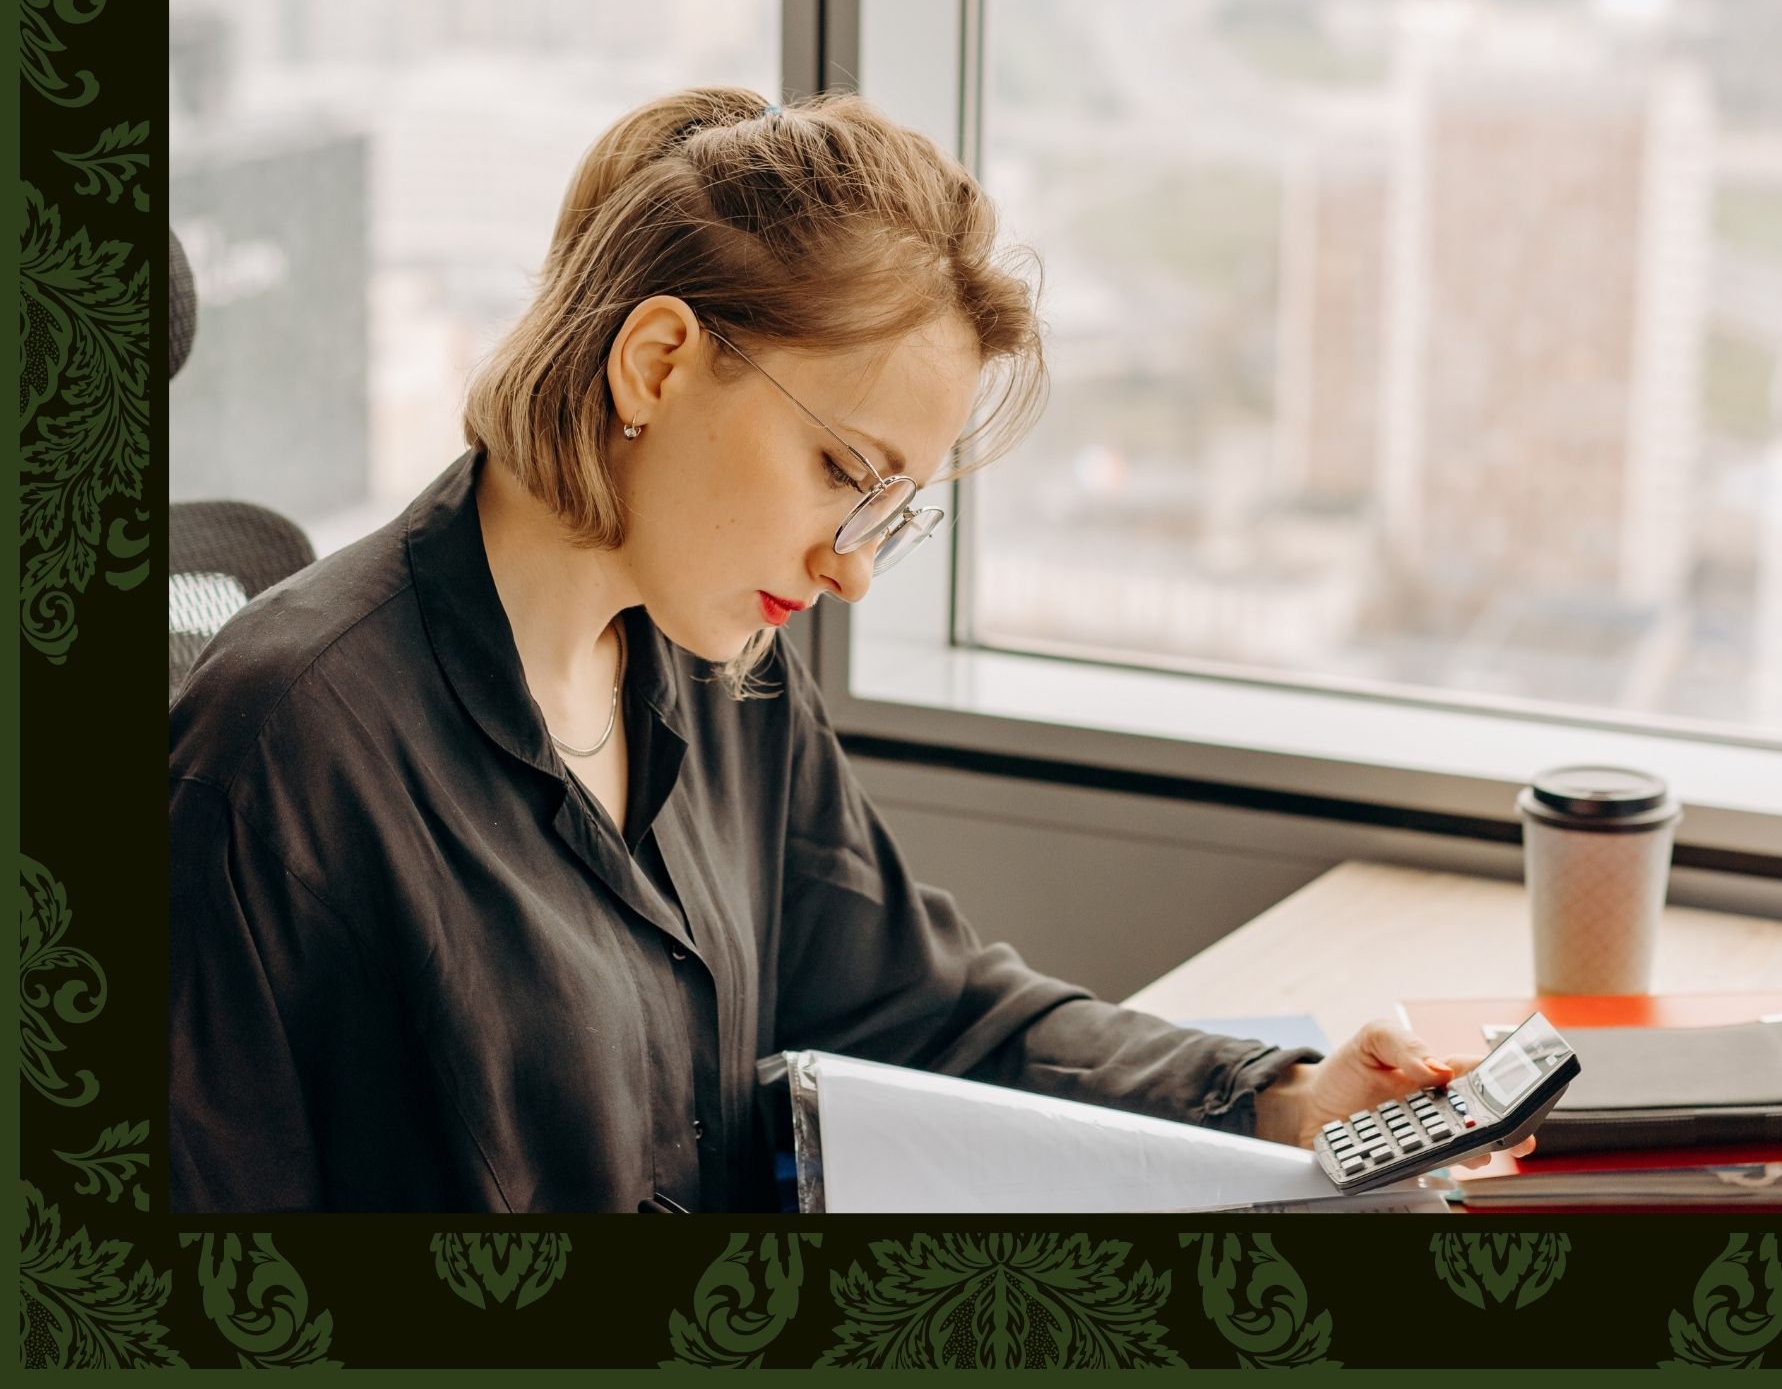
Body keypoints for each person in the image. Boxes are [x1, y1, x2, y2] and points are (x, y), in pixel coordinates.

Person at [169, 85, 1519, 1212]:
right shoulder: (283, 752)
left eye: (891, 511)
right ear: (654, 365)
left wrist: (1278, 1101)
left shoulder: (714, 672)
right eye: (839, 472)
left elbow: (923, 1007)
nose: (853, 566)